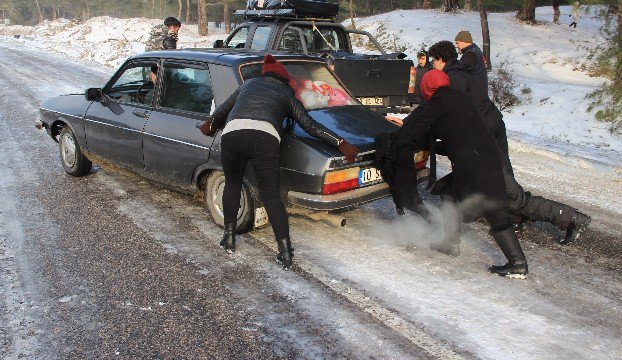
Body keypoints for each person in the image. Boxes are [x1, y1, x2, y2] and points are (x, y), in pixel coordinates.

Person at [198, 54, 359, 269]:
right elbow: (309, 125)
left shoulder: (248, 85)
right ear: (284, 78)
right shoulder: (287, 92)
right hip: (264, 139)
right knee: (271, 196)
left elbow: (222, 111)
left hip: (232, 136)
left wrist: (209, 126)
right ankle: (285, 252)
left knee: (232, 184)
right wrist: (340, 142)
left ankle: (229, 237)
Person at [427, 40, 590, 245]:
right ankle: (515, 218)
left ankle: (572, 219)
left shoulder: (452, 79)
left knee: (508, 191)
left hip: (483, 137)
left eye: (433, 61)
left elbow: (450, 111)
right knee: (503, 185)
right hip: (493, 126)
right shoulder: (465, 70)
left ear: (441, 59)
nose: (432, 65)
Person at [388, 69, 528, 278]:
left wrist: (393, 143)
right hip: (485, 156)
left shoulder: (439, 102)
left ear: (427, 87)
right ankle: (450, 243)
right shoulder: (457, 97)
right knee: (448, 191)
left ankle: (517, 263)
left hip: (475, 164)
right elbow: (457, 134)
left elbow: (415, 127)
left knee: (493, 210)